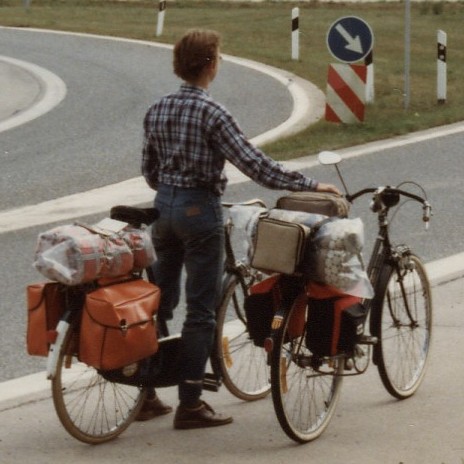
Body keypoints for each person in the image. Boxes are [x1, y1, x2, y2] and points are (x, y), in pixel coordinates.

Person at [139, 28, 341, 429]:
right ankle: (191, 402)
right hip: (200, 214)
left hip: (162, 210)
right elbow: (257, 166)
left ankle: (145, 392)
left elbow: (149, 170)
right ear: (211, 65)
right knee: (200, 311)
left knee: (158, 302)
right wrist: (310, 184)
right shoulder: (213, 113)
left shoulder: (158, 108)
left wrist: (171, 189)